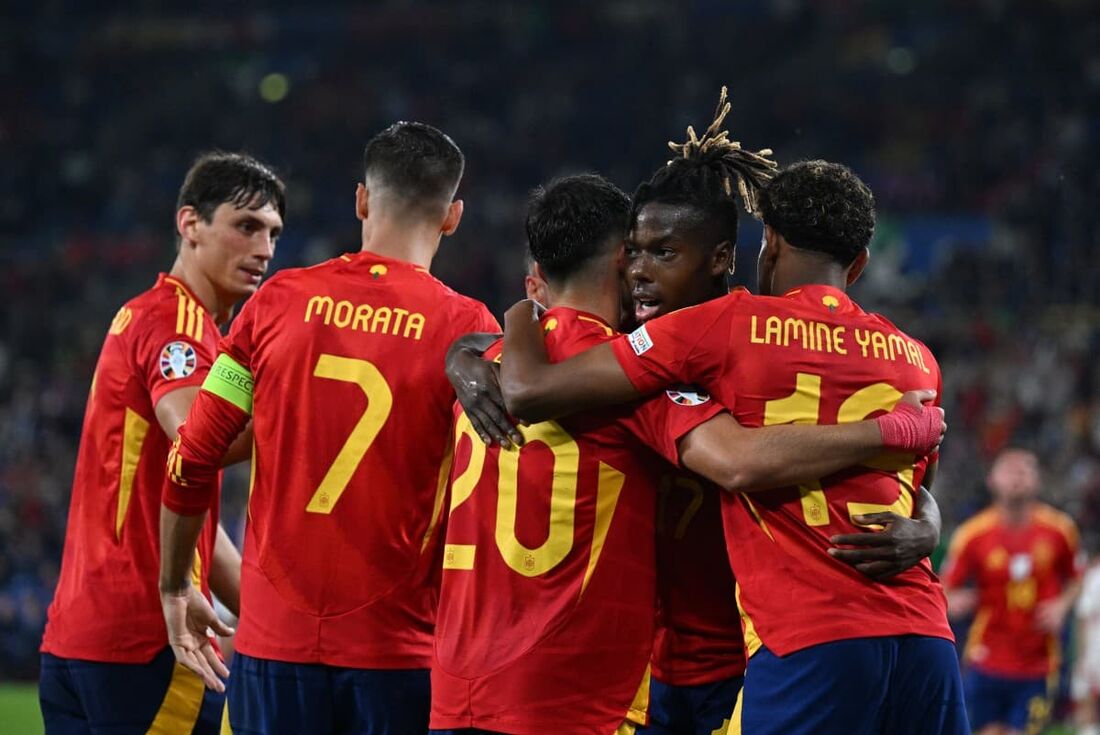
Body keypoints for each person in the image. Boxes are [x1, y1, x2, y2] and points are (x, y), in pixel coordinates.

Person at [431, 173, 944, 735]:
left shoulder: (732, 348)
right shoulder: (629, 359)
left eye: (662, 253)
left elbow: (843, 473)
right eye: (634, 254)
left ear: (723, 258)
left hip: (739, 660)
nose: (639, 271)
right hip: (642, 671)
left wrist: (928, 523)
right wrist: (467, 349)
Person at [159, 121, 500, 735]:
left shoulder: (275, 303)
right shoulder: (470, 331)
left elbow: (195, 451)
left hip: (271, 649)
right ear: (452, 217)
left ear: (363, 200)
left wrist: (174, 586)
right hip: (398, 653)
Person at [38, 152, 285, 734]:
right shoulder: (180, 326)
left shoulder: (143, 314)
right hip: (150, 640)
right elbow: (198, 440)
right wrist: (297, 415)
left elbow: (197, 520)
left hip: (77, 639)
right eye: (246, 226)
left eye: (274, 233)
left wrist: (265, 617)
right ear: (190, 224)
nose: (265, 250)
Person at [942, 448, 1082, 735]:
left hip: (1039, 661)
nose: (1017, 476)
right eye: (1009, 469)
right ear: (992, 480)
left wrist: (1062, 606)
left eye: (1025, 470)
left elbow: (1076, 578)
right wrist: (953, 600)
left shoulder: (1060, 530)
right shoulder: (972, 535)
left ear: (1038, 480)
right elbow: (943, 586)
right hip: (987, 658)